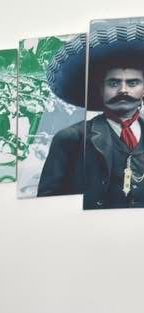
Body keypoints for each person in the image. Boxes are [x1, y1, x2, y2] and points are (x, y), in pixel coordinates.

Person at [37, 20, 144, 208]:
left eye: (133, 83)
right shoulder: (71, 138)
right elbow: (48, 203)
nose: (123, 90)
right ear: (100, 89)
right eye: (113, 83)